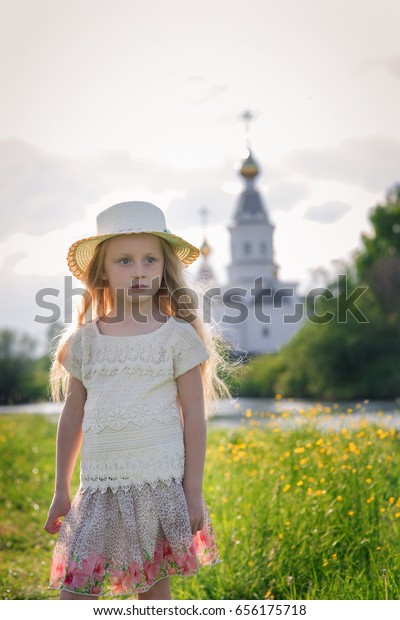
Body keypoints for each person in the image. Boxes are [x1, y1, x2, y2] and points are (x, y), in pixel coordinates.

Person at [44, 201, 236, 600]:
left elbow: (194, 419)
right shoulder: (86, 341)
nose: (139, 271)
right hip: (98, 488)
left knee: (152, 596)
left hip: (157, 487)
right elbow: (72, 414)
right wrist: (62, 489)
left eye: (150, 259)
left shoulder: (177, 338)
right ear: (102, 271)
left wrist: (193, 491)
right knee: (75, 593)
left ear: (165, 267)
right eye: (124, 261)